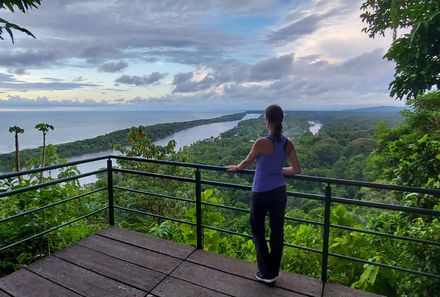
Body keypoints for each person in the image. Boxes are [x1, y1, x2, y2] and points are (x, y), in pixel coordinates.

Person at [226, 104, 301, 284]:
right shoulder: (287, 143)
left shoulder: (261, 142)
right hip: (279, 192)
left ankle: (264, 271)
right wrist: (278, 169)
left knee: (257, 229)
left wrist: (236, 168)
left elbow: (246, 162)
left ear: (267, 120)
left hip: (260, 193)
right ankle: (272, 272)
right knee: (277, 232)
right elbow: (296, 169)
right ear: (281, 120)